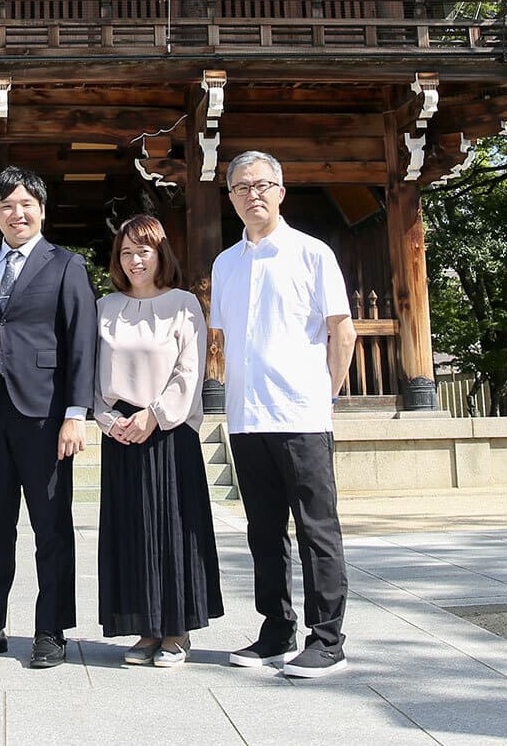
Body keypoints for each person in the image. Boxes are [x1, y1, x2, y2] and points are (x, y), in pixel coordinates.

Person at [208, 151, 357, 679]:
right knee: (263, 531)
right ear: (230, 197)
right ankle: (276, 628)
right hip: (247, 419)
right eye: (242, 187)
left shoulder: (312, 253)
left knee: (317, 528)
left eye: (263, 184)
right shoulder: (225, 263)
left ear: (281, 191)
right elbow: (222, 339)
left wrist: (327, 395)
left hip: (301, 414)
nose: (254, 194)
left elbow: (343, 331)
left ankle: (328, 638)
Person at [0, 166, 98, 670]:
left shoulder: (67, 265)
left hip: (46, 415)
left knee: (51, 526)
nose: (18, 214)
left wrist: (76, 414)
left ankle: (51, 628)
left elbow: (81, 343)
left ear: (42, 210)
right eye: (7, 206)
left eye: (26, 204)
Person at [94, 214, 223, 667]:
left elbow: (190, 369)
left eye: (143, 250)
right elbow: (93, 374)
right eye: (126, 252)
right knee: (131, 530)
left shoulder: (184, 304)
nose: (135, 260)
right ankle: (145, 626)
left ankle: (176, 629)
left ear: (160, 253)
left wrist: (156, 415)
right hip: (120, 431)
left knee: (172, 528)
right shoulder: (104, 308)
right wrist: (108, 419)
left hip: (169, 429)